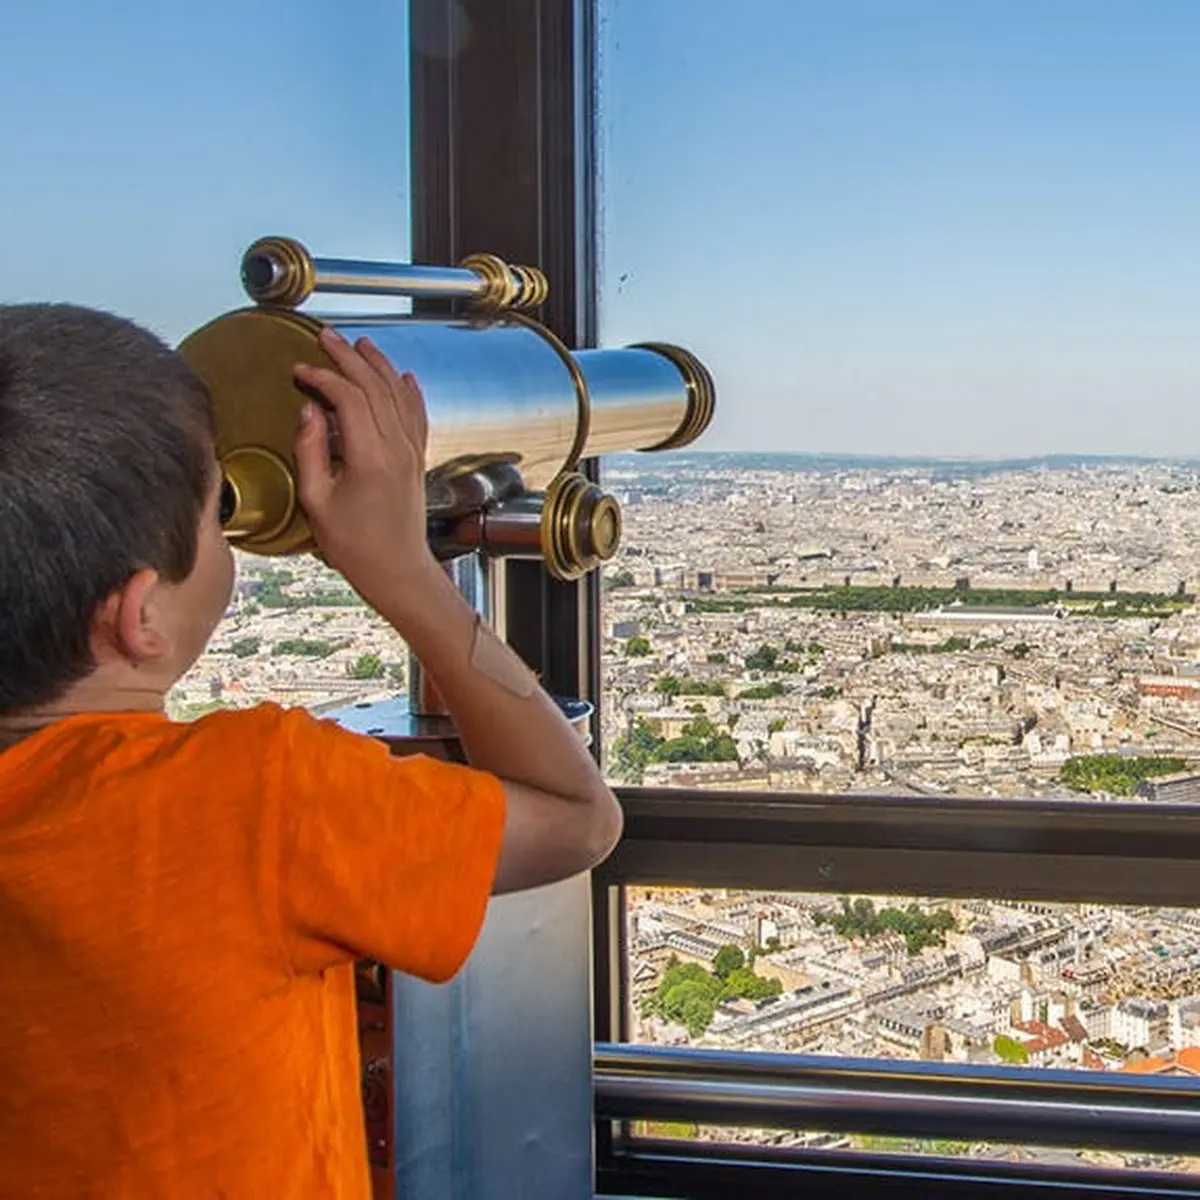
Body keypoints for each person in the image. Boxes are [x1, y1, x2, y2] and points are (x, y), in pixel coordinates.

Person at [0, 304, 622, 1198]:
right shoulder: (254, 798)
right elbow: (576, 818)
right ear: (139, 617)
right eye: (217, 510)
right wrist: (402, 569)